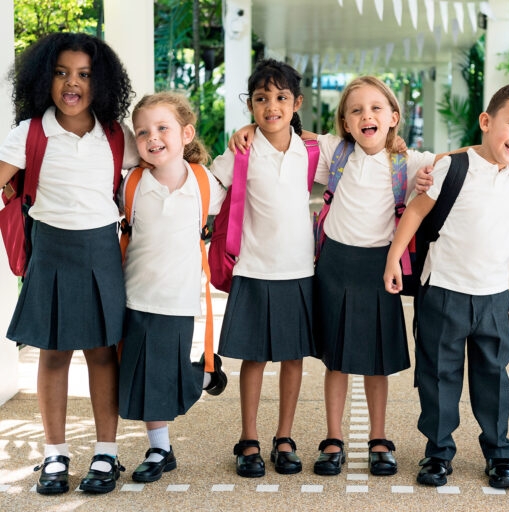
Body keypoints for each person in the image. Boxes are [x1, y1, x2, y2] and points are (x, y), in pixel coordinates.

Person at [383, 84, 509, 489]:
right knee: (439, 377)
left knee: (494, 379)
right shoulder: (451, 166)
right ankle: (437, 453)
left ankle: (499, 453)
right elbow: (417, 213)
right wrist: (393, 258)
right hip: (443, 290)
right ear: (486, 122)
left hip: (493, 295)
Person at [0, 33, 138, 495]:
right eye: (61, 73)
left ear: (101, 82)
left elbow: (168, 159)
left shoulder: (117, 135)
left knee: (102, 352)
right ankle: (54, 455)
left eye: (83, 74)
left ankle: (106, 453)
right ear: (44, 78)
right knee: (53, 354)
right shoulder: (30, 132)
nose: (71, 84)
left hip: (102, 252)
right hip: (51, 252)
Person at [308, 76, 437, 477]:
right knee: (336, 358)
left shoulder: (408, 162)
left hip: (382, 267)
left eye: (377, 108)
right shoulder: (335, 152)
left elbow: (454, 159)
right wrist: (248, 129)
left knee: (377, 360)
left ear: (394, 117)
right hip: (334, 264)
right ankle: (333, 438)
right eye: (356, 110)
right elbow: (290, 135)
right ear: (345, 122)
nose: (367, 115)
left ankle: (378, 437)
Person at [210, 59, 319, 478]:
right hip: (253, 268)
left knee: (293, 357)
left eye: (280, 98)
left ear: (296, 102)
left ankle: (285, 437)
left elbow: (356, 155)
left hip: (299, 271)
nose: (271, 106)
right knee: (253, 358)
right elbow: (210, 187)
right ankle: (249, 437)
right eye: (261, 99)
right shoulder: (241, 148)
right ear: (250, 104)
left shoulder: (312, 149)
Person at [119, 91, 228, 483]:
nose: (153, 137)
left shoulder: (205, 184)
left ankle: (159, 448)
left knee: (156, 377)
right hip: (133, 297)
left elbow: (241, 178)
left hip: (179, 301)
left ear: (186, 133)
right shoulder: (130, 183)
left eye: (163, 128)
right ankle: (201, 378)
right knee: (138, 376)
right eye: (143, 132)